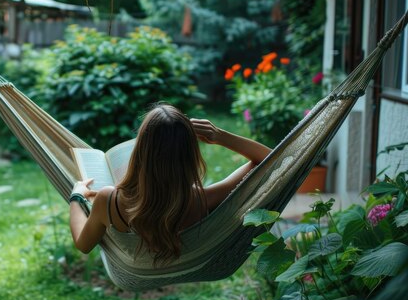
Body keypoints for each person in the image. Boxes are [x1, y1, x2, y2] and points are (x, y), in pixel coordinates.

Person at [69, 104, 271, 265]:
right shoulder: (205, 199)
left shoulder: (108, 200)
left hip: (135, 268)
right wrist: (220, 136)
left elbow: (83, 244)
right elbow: (270, 160)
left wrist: (77, 197)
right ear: (190, 156)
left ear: (141, 151)